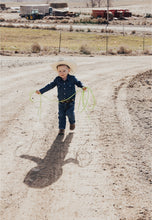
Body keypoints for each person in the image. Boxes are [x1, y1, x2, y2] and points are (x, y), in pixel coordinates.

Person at [36, 59, 87, 135]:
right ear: (57, 71)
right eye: (59, 71)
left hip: (71, 101)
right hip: (61, 102)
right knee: (61, 115)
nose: (62, 73)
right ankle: (61, 129)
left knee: (70, 113)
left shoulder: (72, 78)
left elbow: (78, 83)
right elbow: (50, 86)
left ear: (68, 70)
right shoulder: (57, 80)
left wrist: (83, 86)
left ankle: (72, 123)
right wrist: (41, 91)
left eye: (64, 71)